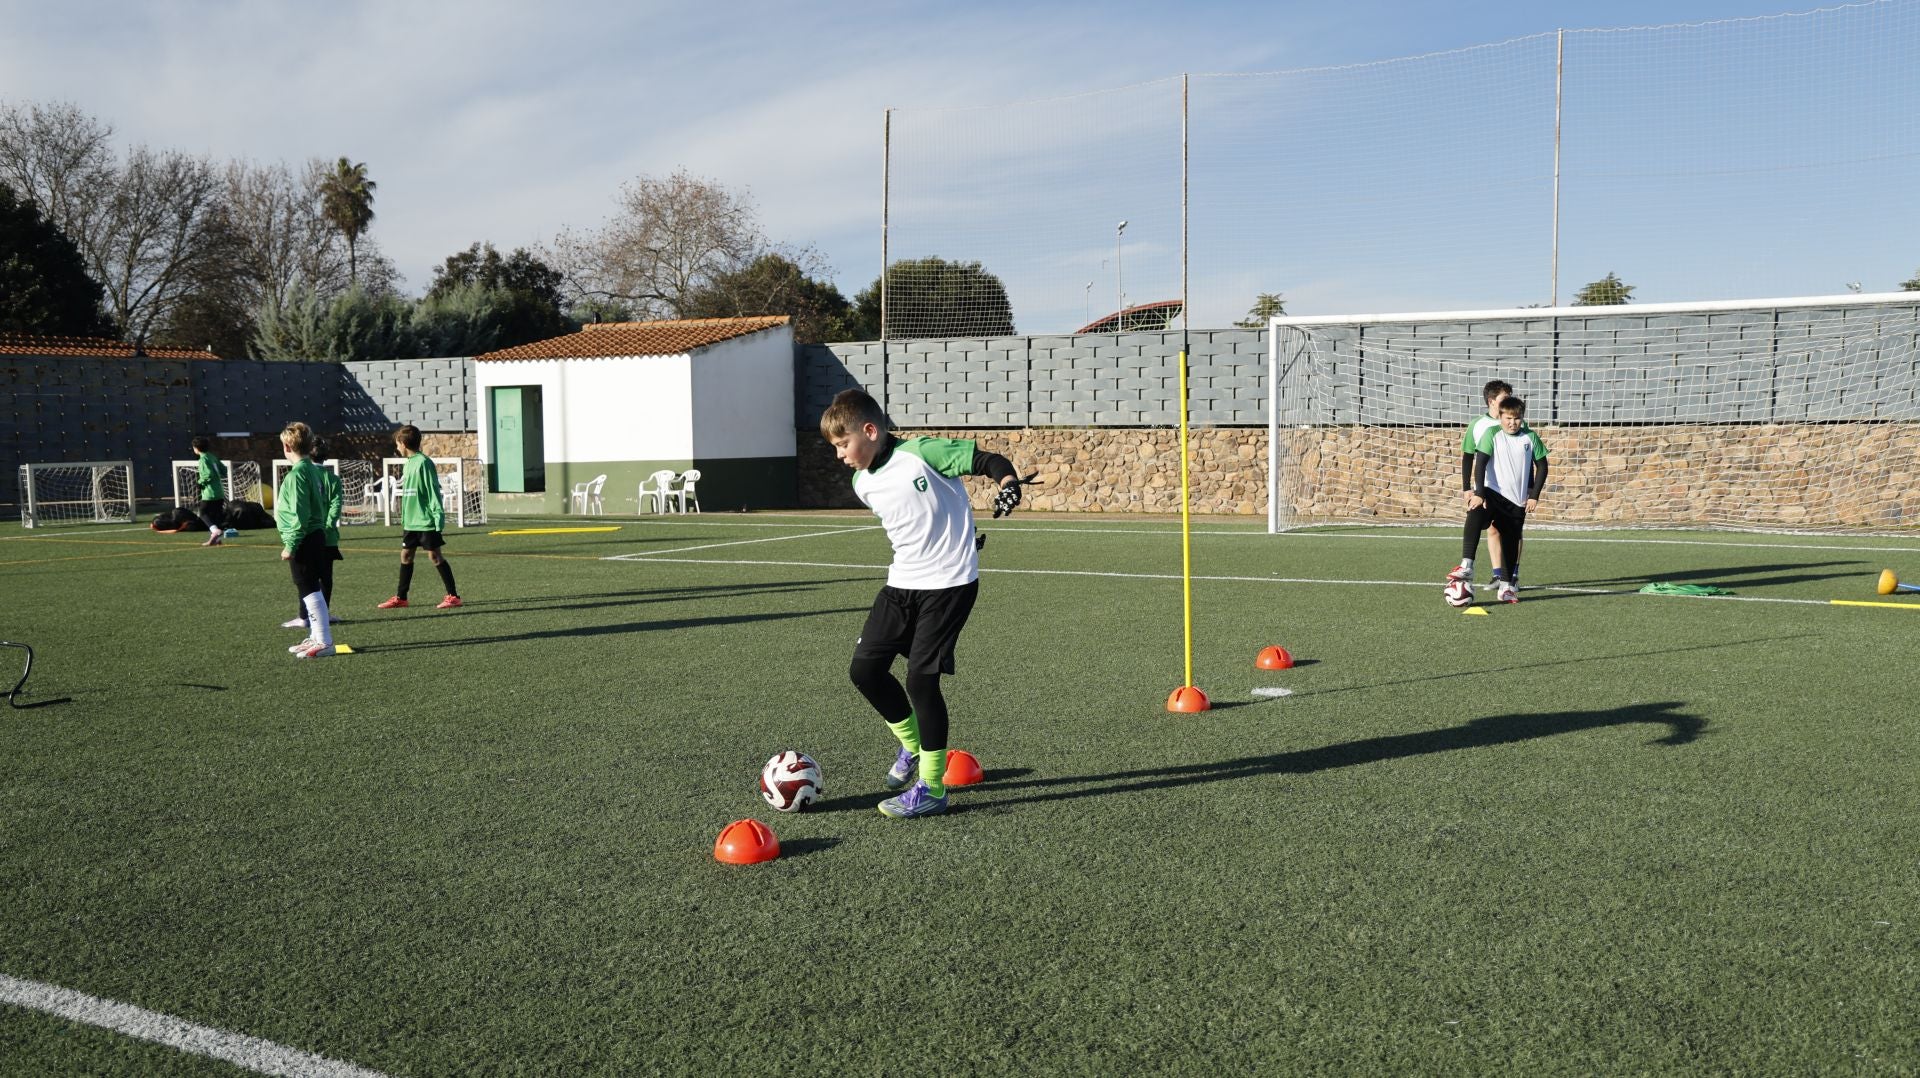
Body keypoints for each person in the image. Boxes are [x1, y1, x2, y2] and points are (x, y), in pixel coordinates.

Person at [820, 388, 1025, 820]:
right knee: (865, 670)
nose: (840, 455)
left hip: (949, 584)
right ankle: (913, 747)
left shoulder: (923, 453)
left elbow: (988, 461)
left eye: (843, 444)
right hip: (902, 584)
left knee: (920, 682)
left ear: (870, 431)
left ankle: (932, 788)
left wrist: (1008, 484)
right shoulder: (862, 483)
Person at [1468, 395, 1549, 604]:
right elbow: (1480, 463)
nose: (1512, 423)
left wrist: (1534, 496)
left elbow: (1542, 466)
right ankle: (1466, 566)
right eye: (1508, 418)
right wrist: (1479, 492)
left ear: (1522, 418)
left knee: (1511, 542)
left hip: (1517, 501)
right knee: (1475, 513)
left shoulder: (1530, 437)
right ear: (1500, 417)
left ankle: (1506, 586)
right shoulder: (1491, 433)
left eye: (1517, 418)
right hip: (1493, 493)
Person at [377, 425, 461, 610]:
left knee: (435, 557)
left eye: (398, 443)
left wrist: (438, 517)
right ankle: (401, 597)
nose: (397, 447)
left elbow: (433, 492)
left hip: (425, 520)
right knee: (406, 556)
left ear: (404, 443)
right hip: (411, 522)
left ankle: (453, 596)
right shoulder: (408, 463)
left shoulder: (424, 463)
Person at [1446, 380, 1512, 597]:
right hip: (1484, 487)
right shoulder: (1477, 424)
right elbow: (1468, 456)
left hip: (1508, 489)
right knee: (1478, 518)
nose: (1509, 401)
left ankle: (1509, 578)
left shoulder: (1513, 423)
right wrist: (1468, 487)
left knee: (1504, 530)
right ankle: (1471, 566)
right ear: (1492, 401)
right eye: (1504, 398)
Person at [277, 422, 337, 658]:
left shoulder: (298, 474)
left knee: (310, 588)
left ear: (286, 445)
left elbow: (300, 516)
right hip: (313, 536)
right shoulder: (312, 470)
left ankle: (324, 641)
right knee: (310, 587)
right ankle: (316, 637)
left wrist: (290, 545)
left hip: (305, 538)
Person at [283, 440, 345, 632]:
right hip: (327, 535)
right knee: (325, 576)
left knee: (306, 579)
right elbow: (335, 505)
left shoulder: (302, 473)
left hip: (309, 533)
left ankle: (305, 617)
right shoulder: (331, 478)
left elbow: (301, 510)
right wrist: (328, 524)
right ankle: (322, 615)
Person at [191, 435, 228, 546]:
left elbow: (208, 474)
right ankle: (216, 539)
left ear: (196, 448)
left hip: (210, 492)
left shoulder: (203, 459)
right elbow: (224, 470)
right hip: (219, 491)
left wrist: (199, 482)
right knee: (215, 516)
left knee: (202, 513)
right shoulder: (212, 457)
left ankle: (215, 531)